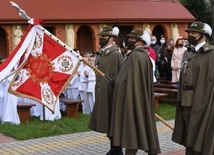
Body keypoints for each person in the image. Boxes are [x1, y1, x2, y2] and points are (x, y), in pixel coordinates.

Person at [110, 29, 160, 155]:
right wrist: (118, 81)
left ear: (140, 41)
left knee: (132, 130)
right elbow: (127, 77)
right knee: (138, 128)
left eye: (133, 39)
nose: (130, 40)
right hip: (135, 98)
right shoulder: (140, 55)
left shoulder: (136, 56)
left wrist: (118, 83)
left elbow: (132, 81)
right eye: (130, 38)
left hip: (132, 99)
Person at [172, 21, 214, 155]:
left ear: (203, 36)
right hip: (186, 101)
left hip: (201, 102)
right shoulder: (188, 53)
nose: (190, 35)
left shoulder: (210, 54)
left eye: (194, 33)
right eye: (189, 32)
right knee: (188, 136)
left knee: (199, 135)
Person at [89, 26, 123, 155]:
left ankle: (117, 148)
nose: (101, 39)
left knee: (113, 119)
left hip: (111, 92)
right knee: (107, 120)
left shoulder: (115, 53)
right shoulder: (102, 53)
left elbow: (120, 73)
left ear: (111, 38)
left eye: (104, 37)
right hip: (102, 90)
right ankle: (113, 146)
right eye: (100, 37)